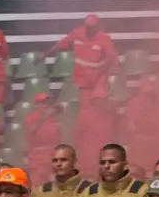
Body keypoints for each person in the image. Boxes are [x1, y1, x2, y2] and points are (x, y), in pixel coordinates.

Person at [40, 14, 119, 163]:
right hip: (83, 83)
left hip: (98, 80)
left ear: (97, 27)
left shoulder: (104, 39)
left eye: (92, 28)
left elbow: (110, 56)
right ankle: (86, 138)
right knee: (86, 114)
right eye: (87, 27)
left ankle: (100, 132)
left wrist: (106, 67)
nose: (89, 31)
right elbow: (62, 44)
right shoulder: (77, 33)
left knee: (98, 106)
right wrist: (45, 55)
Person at [24, 93, 62, 185]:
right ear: (36, 105)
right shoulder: (29, 118)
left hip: (52, 157)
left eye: (47, 103)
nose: (45, 106)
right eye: (42, 103)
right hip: (37, 158)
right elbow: (32, 130)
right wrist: (45, 116)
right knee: (37, 186)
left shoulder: (54, 120)